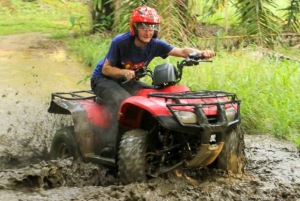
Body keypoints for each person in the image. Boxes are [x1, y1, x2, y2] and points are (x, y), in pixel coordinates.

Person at [90, 6, 215, 152]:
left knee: (154, 96)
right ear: (134, 28)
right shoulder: (120, 42)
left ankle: (154, 140)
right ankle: (112, 145)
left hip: (128, 80)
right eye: (143, 26)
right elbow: (106, 69)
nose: (148, 31)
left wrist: (201, 53)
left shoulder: (155, 44)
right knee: (122, 101)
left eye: (151, 27)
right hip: (102, 79)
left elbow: (181, 51)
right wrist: (124, 72)